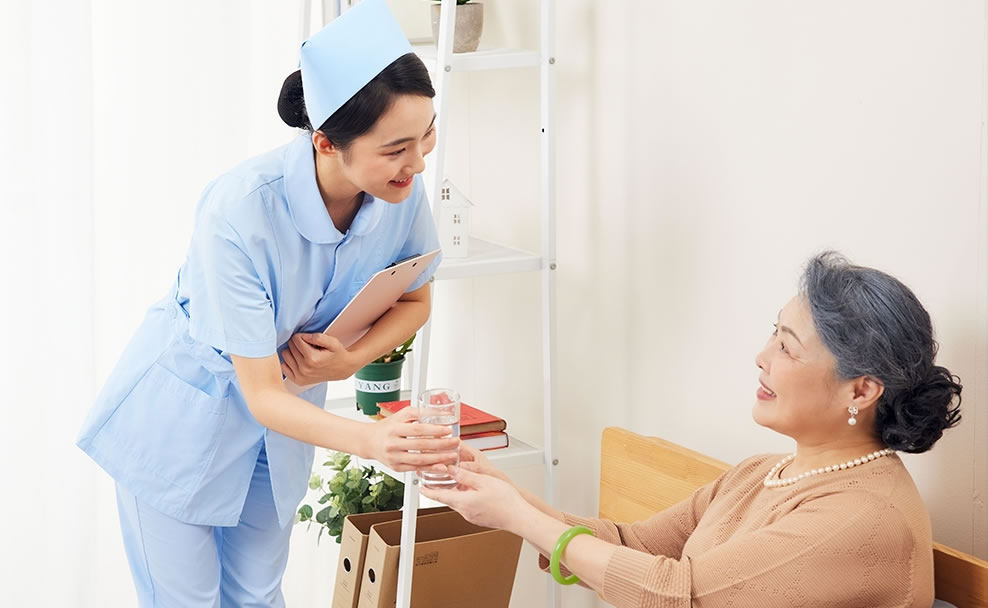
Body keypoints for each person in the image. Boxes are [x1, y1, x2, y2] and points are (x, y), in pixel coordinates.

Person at [75, 1, 459, 605]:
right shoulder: (240, 211)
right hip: (182, 424)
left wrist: (350, 360)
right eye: (396, 148)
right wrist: (372, 442)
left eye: (427, 134)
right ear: (327, 141)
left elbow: (415, 298)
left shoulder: (399, 192)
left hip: (281, 431)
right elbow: (260, 393)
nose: (418, 162)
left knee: (257, 595)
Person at [423, 252, 963, 608]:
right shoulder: (762, 474)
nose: (762, 357)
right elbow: (633, 546)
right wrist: (503, 491)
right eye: (772, 334)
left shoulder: (863, 517)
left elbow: (679, 595)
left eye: (787, 347)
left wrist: (517, 517)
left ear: (861, 391)